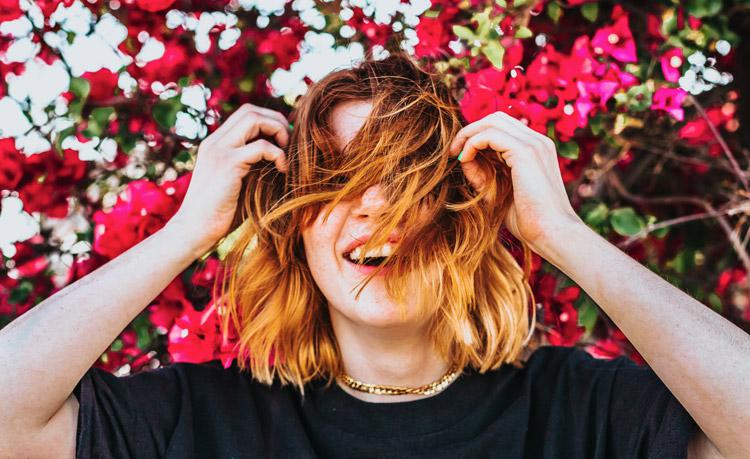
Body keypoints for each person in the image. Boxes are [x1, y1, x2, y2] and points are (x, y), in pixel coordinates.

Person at [0, 51, 746, 459]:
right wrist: (186, 233)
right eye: (338, 181)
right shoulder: (196, 419)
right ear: (294, 225)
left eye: (408, 180)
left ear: (464, 212)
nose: (374, 206)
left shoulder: (586, 412)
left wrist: (563, 237)